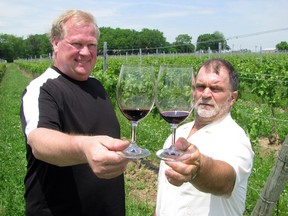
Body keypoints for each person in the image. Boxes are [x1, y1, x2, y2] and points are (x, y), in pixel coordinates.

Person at [20, 10, 130, 216]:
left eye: (92, 45)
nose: (86, 53)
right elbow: (39, 141)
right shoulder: (43, 88)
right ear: (55, 43)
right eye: (77, 44)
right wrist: (84, 147)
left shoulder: (97, 86)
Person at [155, 58, 254, 216]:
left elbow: (226, 182)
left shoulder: (235, 138)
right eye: (200, 87)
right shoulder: (179, 132)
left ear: (232, 97)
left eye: (216, 89)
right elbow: (166, 199)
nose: (206, 94)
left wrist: (197, 169)